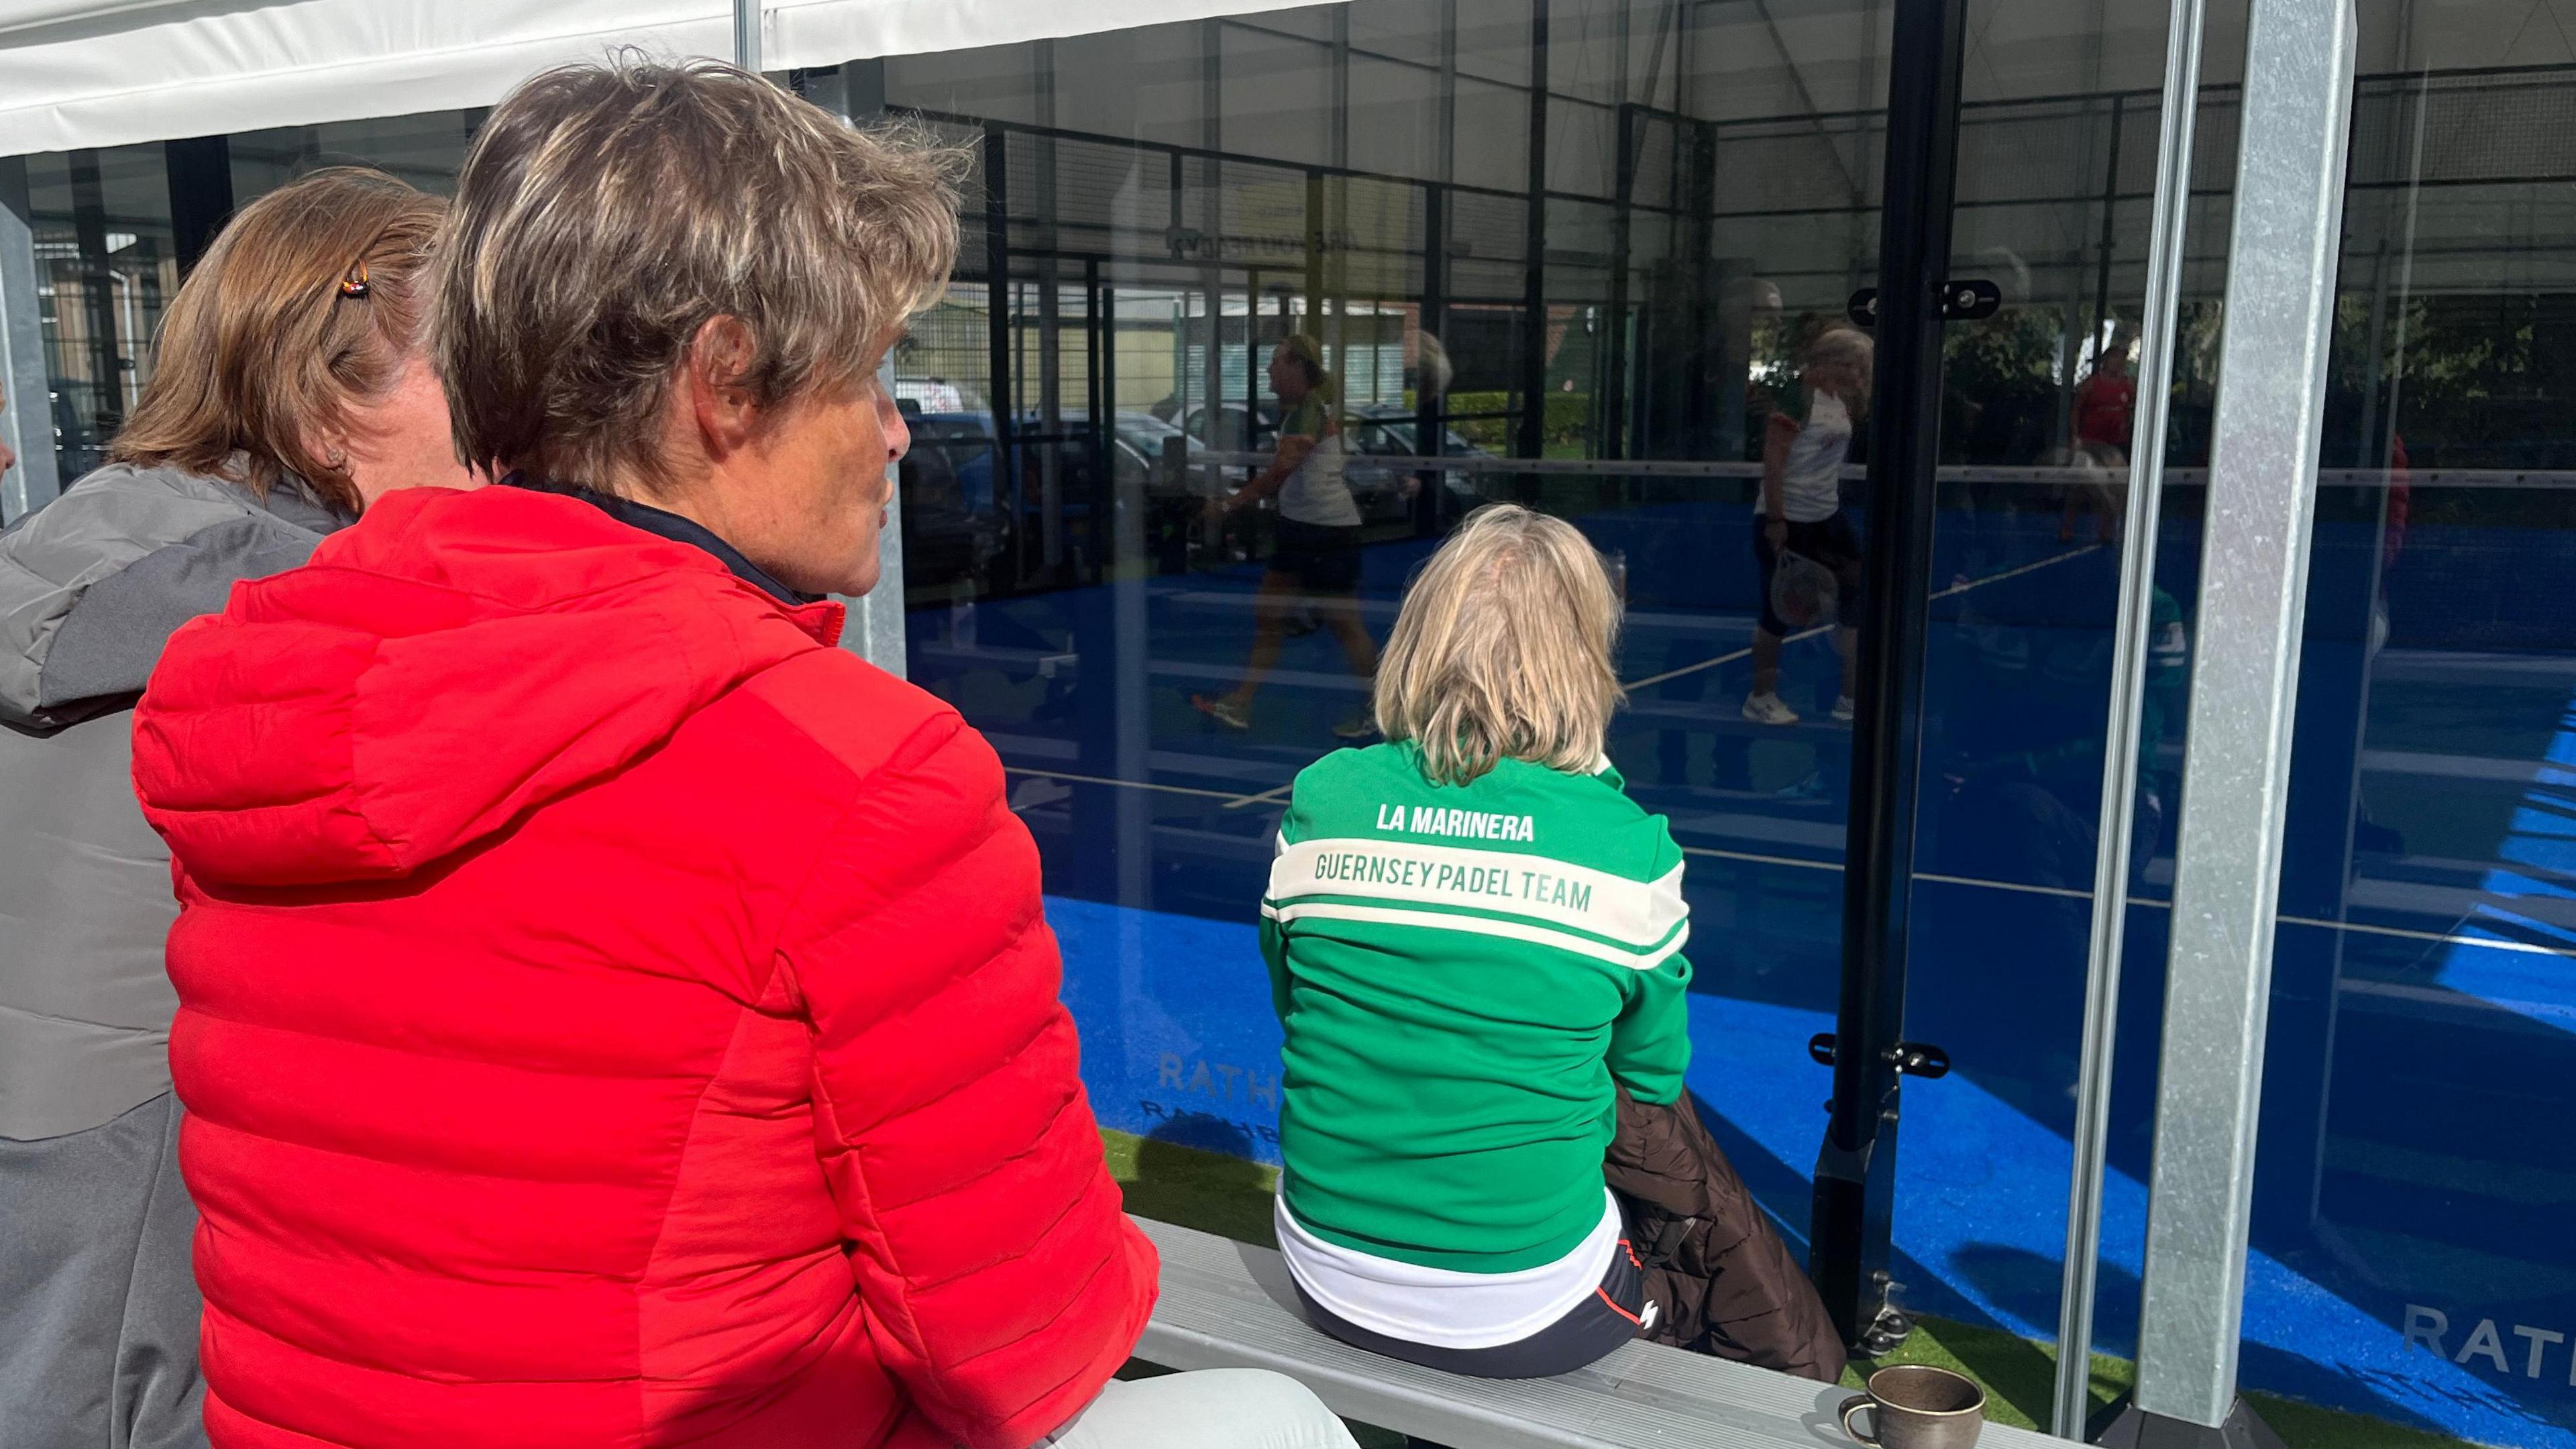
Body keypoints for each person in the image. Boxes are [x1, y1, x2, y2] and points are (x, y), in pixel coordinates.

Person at [129, 62, 1355, 1449]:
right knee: (1269, 1420)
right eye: (871, 371)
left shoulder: (245, 694)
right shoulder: (859, 778)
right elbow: (1026, 1346)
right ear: (722, 383)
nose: (899, 430)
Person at [0, 168, 470, 1449]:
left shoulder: (73, 546)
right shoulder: (304, 627)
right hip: (145, 1293)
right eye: (476, 380)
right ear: (331, 411)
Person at [1260, 504, 1841, 1383]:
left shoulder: (1322, 795)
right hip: (1523, 1299)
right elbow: (1647, 1082)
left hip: (1325, 1269)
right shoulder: (1628, 845)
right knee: (1678, 1233)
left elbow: (1292, 996)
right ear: (1583, 656)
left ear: (1420, 636)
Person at [1193, 333, 1379, 739]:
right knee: (1270, 616)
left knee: (1345, 625)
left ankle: (1383, 713)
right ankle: (1240, 704)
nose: (1269, 370)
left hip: (1327, 533)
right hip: (1300, 531)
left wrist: (1229, 505)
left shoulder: (1307, 412)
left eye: (1277, 362)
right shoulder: (1299, 412)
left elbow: (1281, 472)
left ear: (1297, 368)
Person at [1744, 327, 1869, 727]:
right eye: (1855, 365)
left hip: (1827, 518)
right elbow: (1774, 465)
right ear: (1835, 362)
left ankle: (1850, 698)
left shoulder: (1840, 402)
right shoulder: (1795, 399)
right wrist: (1777, 522)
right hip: (1787, 520)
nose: (1860, 373)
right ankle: (1760, 698)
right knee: (1778, 612)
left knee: (1856, 597)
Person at [2060, 339, 2136, 543]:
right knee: (2079, 485)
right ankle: (2067, 527)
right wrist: (2075, 437)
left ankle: (2106, 531)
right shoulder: (2092, 383)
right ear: (2106, 361)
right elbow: (2076, 410)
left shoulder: (2128, 385)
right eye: (2115, 358)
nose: (2119, 363)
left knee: (2112, 488)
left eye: (2122, 359)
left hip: (2115, 444)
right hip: (2091, 442)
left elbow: (2133, 409)